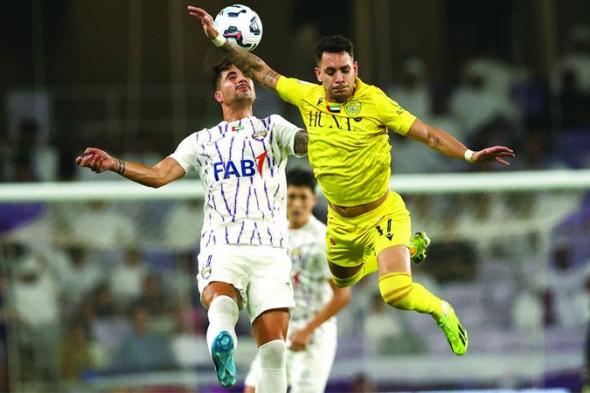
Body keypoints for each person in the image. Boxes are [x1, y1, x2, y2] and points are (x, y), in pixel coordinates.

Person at [188, 6, 516, 356]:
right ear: (319, 74)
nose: (340, 77)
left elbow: (428, 135)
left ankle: (442, 309)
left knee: (395, 292)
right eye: (331, 71)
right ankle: (410, 247)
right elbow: (259, 70)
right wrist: (221, 40)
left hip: (382, 213)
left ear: (355, 68)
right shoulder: (306, 96)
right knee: (342, 279)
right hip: (341, 221)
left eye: (345, 69)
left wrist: (469, 155)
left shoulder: (376, 102)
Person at [75, 58, 308, 392]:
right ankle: (222, 341)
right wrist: (116, 164)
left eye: (245, 76)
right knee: (223, 304)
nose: (241, 80)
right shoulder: (201, 141)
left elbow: (305, 143)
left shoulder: (274, 127)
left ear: (255, 90)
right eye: (231, 77)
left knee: (273, 351)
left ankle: (222, 340)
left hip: (270, 248)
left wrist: (328, 129)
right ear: (218, 96)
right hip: (224, 243)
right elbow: (159, 175)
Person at [244, 168, 351, 393]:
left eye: (303, 197)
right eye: (292, 196)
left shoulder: (324, 240)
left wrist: (308, 330)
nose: (297, 204)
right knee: (253, 388)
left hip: (315, 333)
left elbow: (342, 295)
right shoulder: (271, 233)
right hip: (281, 327)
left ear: (313, 200)